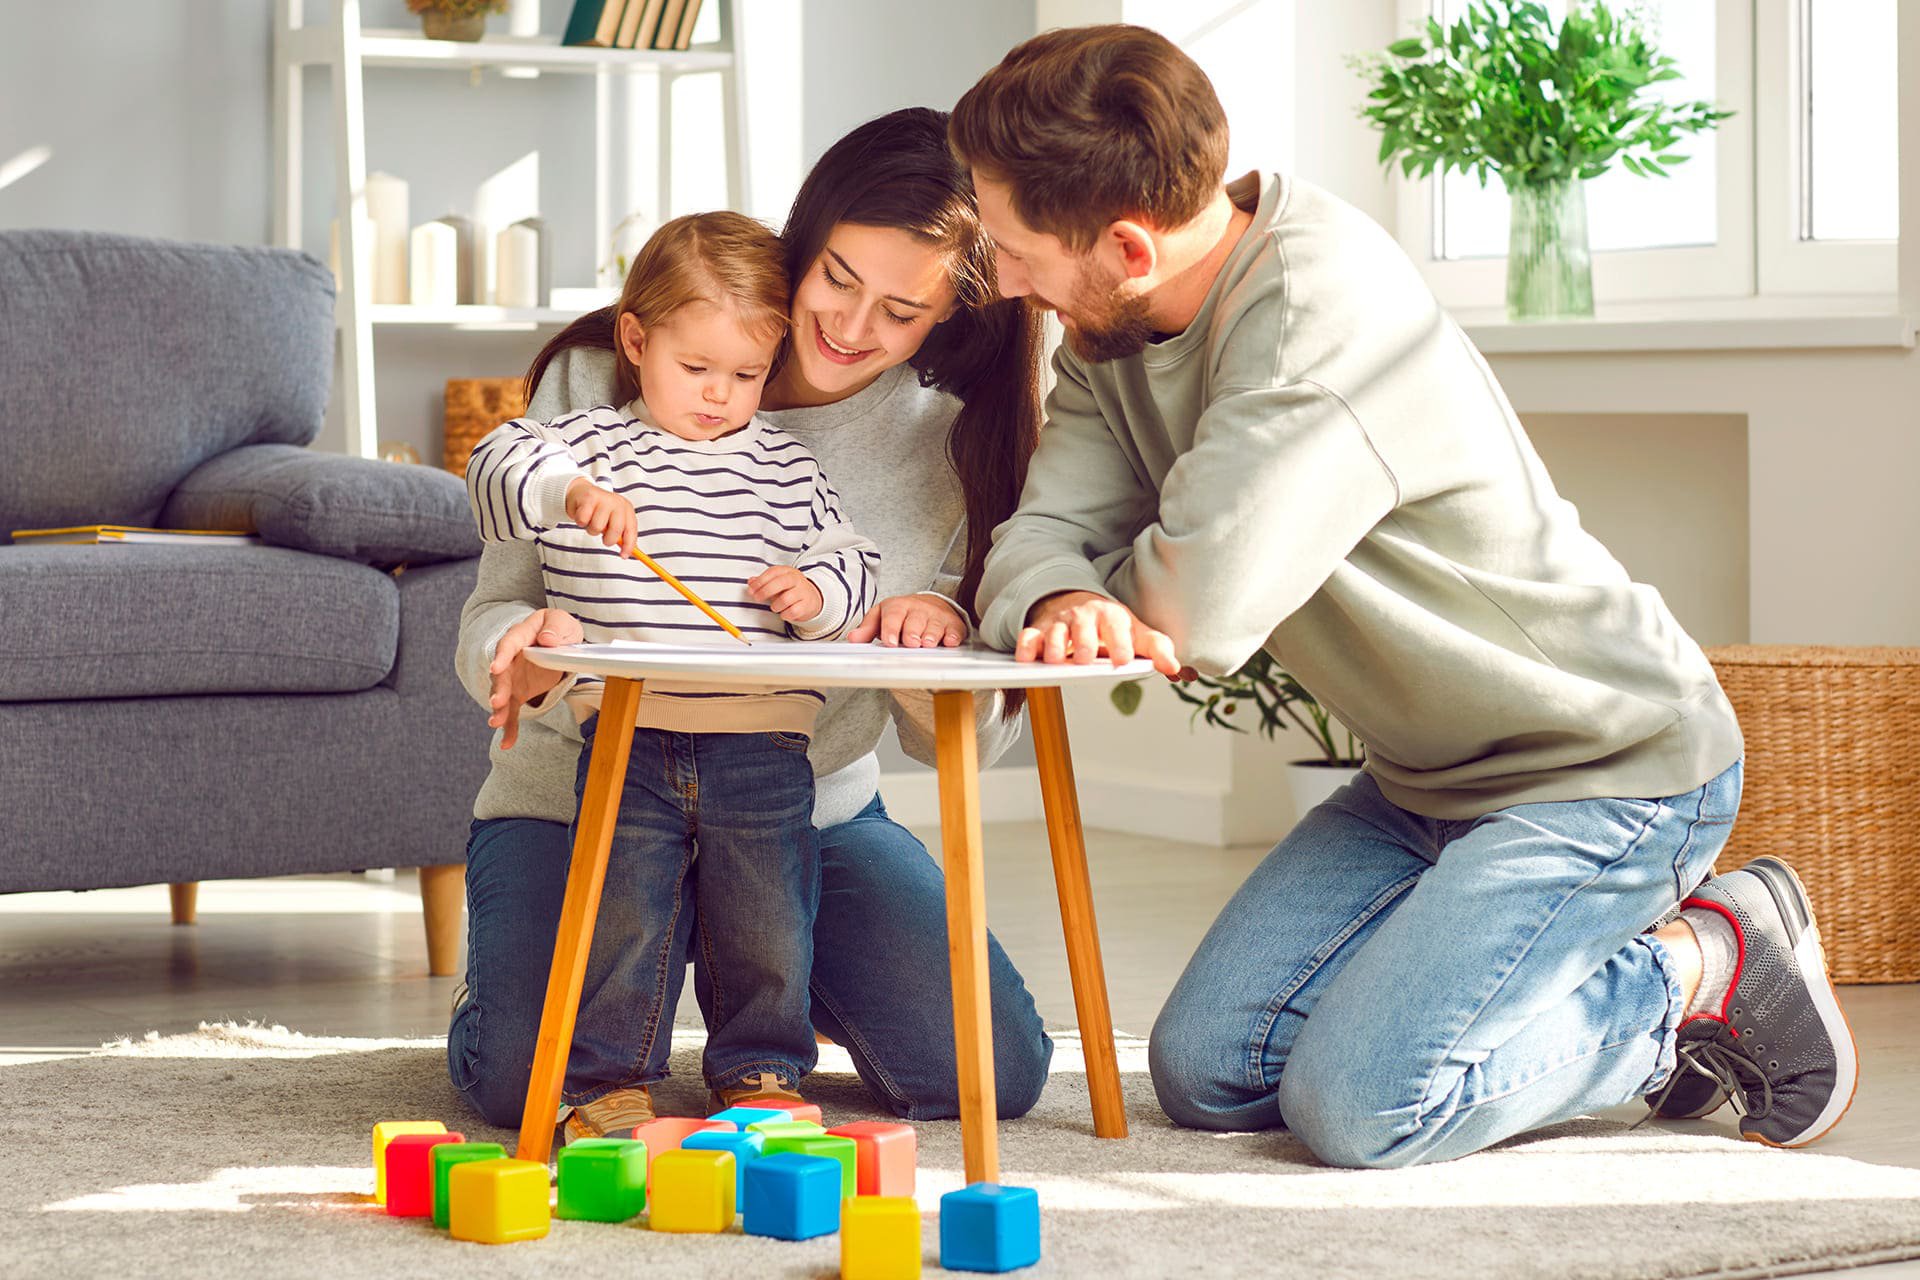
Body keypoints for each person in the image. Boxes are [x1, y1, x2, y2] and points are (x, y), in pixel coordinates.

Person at [953, 25, 1857, 1167]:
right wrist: (1054, 602)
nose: (1004, 280)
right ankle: (1576, 983)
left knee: (1367, 1105)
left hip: (1604, 764)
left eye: (1014, 248)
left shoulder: (1314, 322)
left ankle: (1695, 970)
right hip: (1424, 780)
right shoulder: (1107, 326)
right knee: (1211, 1072)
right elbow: (1045, 531)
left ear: (1129, 245)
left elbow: (1198, 610)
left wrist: (1093, 592)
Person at [448, 108, 1054, 1133]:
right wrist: (524, 652)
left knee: (991, 1068)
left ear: (948, 316)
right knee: (523, 1078)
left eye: (902, 311)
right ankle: (577, 970)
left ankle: (765, 969)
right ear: (802, 241)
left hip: (797, 800)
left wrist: (921, 633)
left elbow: (972, 732)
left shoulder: (950, 443)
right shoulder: (601, 381)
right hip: (584, 786)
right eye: (837, 278)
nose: (853, 328)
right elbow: (495, 609)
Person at [464, 211, 880, 1137]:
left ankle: (762, 1071)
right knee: (623, 916)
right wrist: (567, 494)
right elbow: (493, 462)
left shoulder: (787, 467)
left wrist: (816, 592)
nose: (719, 395)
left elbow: (857, 561)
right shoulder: (582, 445)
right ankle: (608, 1080)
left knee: (769, 918)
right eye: (696, 369)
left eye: (745, 375)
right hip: (627, 736)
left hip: (766, 741)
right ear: (636, 341)